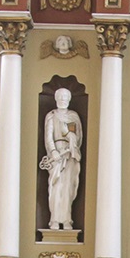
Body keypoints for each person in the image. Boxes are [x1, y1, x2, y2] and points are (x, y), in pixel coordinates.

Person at [43, 87, 83, 231]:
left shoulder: (72, 117)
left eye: (65, 97)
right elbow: (48, 136)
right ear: (56, 98)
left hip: (69, 154)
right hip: (56, 156)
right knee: (55, 187)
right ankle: (54, 220)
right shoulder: (52, 116)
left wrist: (72, 145)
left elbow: (74, 136)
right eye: (60, 97)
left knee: (68, 188)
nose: (63, 100)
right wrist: (53, 151)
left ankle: (67, 220)